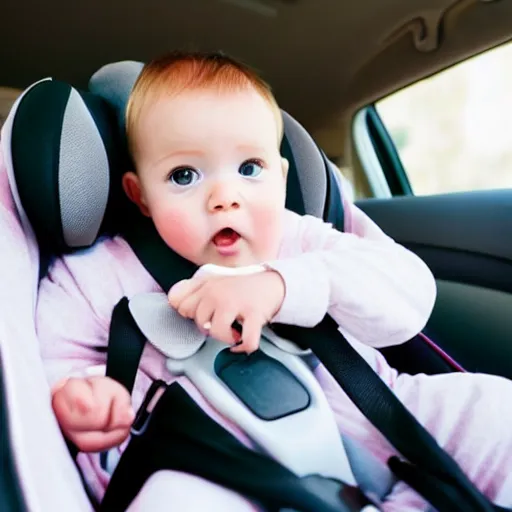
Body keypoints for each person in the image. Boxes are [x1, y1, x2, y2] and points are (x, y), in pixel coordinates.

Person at [37, 51, 512, 511]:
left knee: (497, 411)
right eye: (184, 175)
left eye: (249, 169)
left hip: (385, 426)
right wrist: (80, 393)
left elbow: (409, 294)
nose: (225, 197)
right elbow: (56, 354)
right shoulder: (98, 273)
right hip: (216, 465)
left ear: (280, 178)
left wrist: (286, 284)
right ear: (140, 195)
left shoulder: (299, 238)